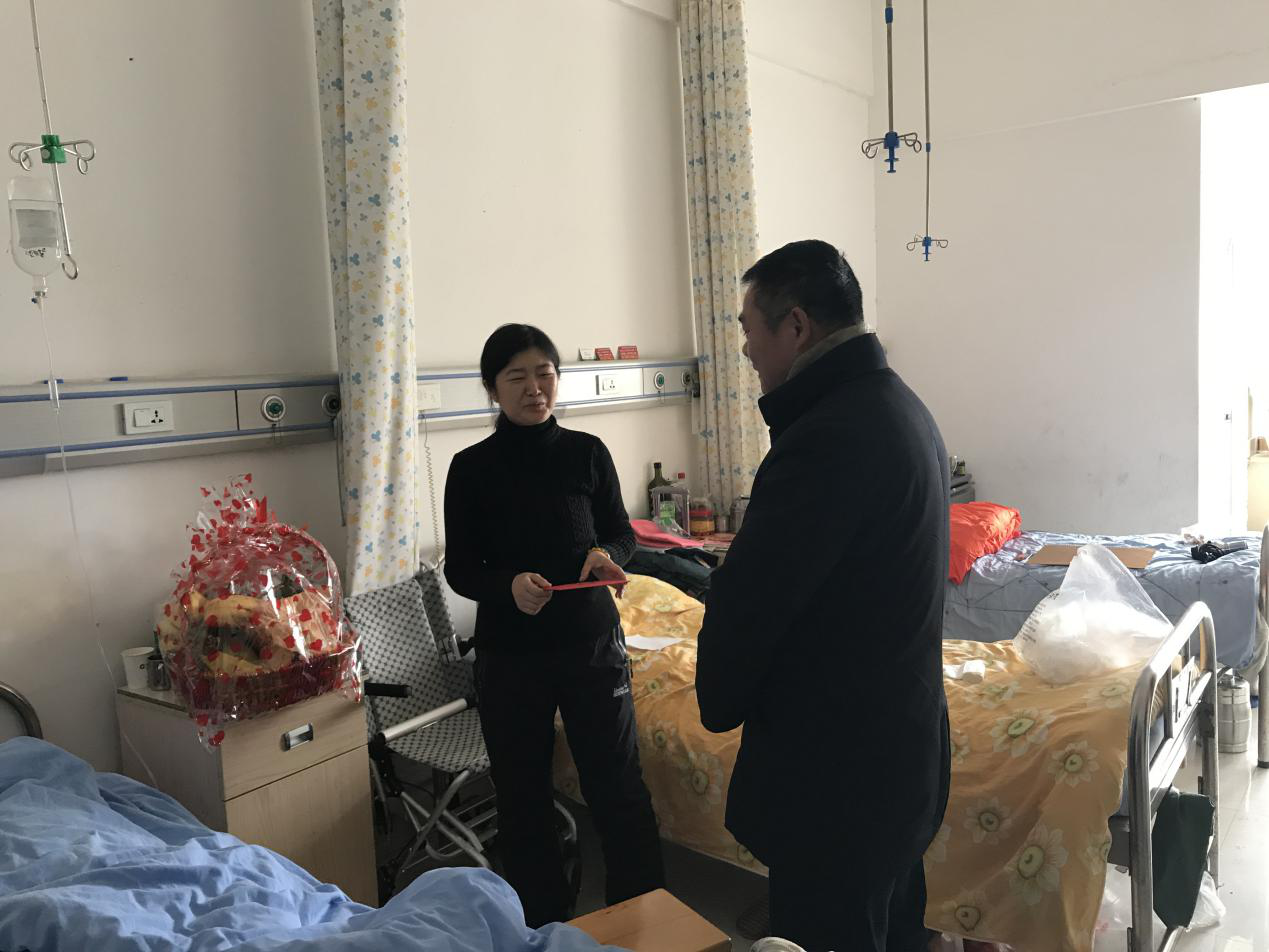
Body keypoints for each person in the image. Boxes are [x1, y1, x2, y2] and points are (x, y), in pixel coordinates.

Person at [696, 240, 951, 951]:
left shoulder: (825, 438)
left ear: (796, 326)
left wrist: (719, 694)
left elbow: (752, 606)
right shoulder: (899, 406)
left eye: (749, 328)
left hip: (837, 784)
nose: (745, 348)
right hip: (898, 757)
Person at [443, 323, 665, 926]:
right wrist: (508, 586)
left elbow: (621, 532)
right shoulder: (470, 468)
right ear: (492, 389)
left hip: (591, 644)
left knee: (617, 784)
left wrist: (607, 554)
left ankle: (644, 920)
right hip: (510, 656)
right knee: (522, 797)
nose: (534, 387)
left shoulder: (587, 452)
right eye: (516, 376)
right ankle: (543, 926)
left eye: (544, 373)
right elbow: (460, 569)